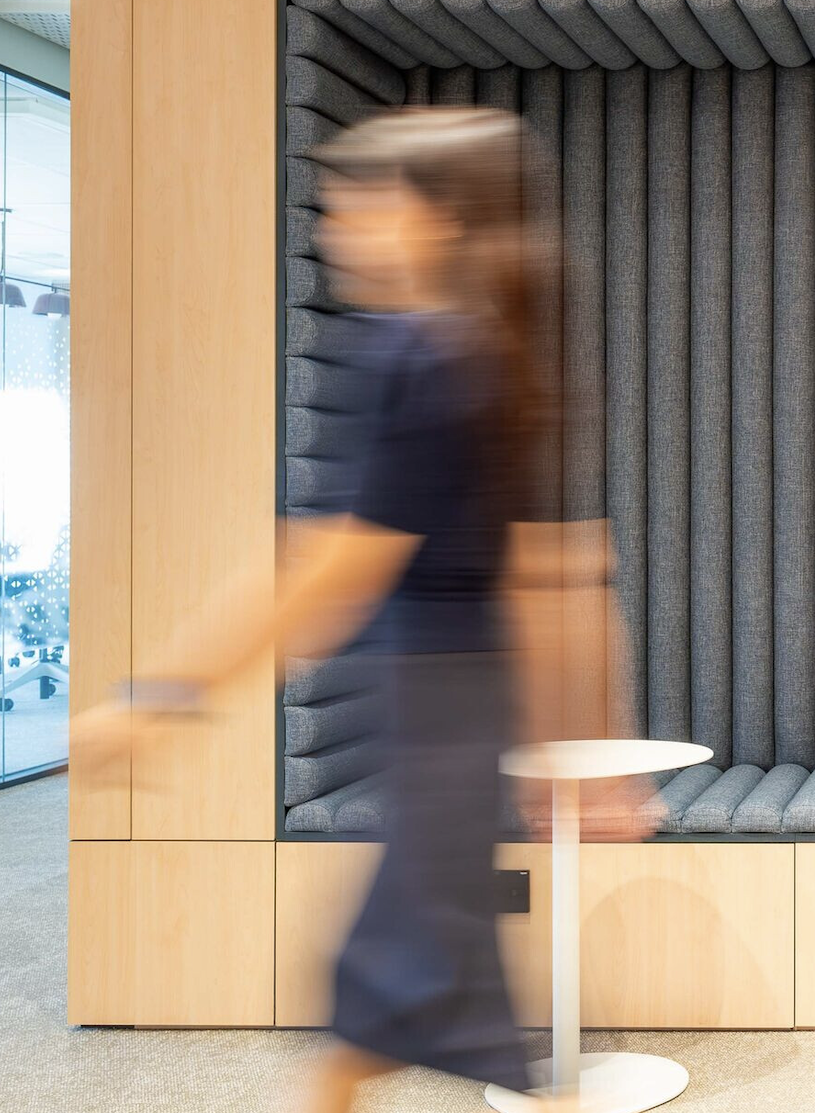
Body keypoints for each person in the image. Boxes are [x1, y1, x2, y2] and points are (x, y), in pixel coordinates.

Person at [74, 108, 649, 1112]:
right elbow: (552, 567)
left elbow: (331, 566)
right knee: (401, 995)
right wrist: (582, 739)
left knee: (389, 994)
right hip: (456, 705)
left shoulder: (420, 355)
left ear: (431, 218)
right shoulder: (482, 350)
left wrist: (159, 695)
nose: (333, 232)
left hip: (434, 707)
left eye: (354, 207)